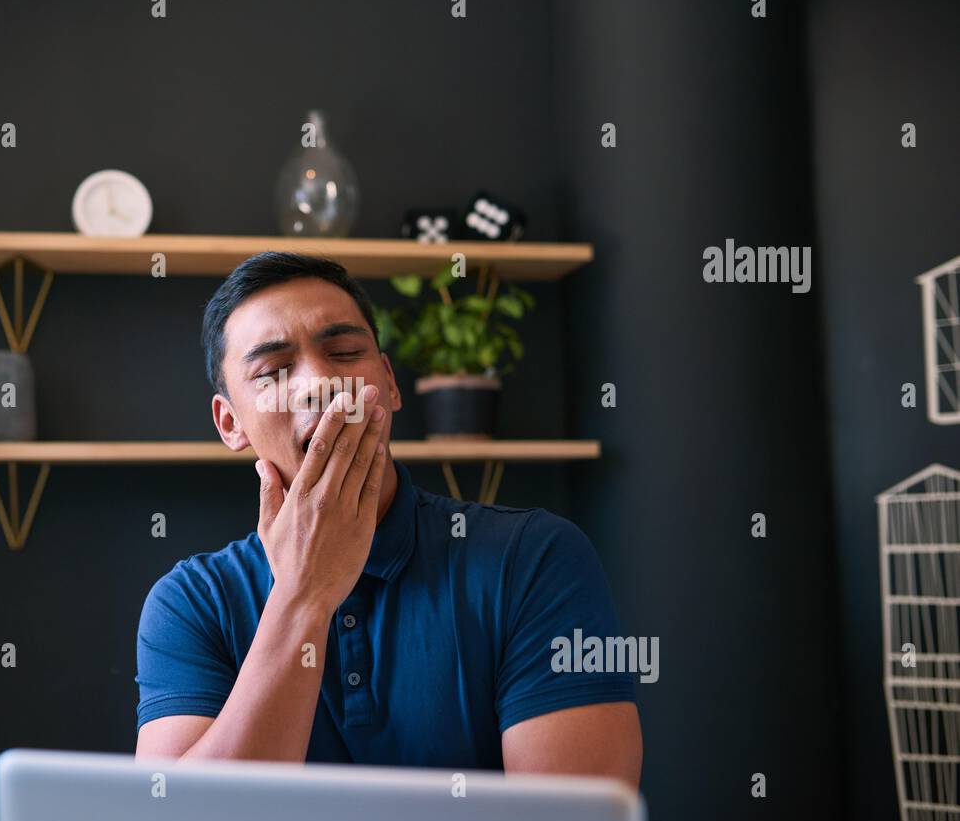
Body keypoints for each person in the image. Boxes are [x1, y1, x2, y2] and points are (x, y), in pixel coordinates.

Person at [135, 251, 642, 789]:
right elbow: (175, 816)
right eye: (273, 371)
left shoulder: (535, 557)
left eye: (346, 352)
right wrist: (303, 595)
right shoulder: (190, 603)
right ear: (230, 423)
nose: (320, 384)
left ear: (391, 385)